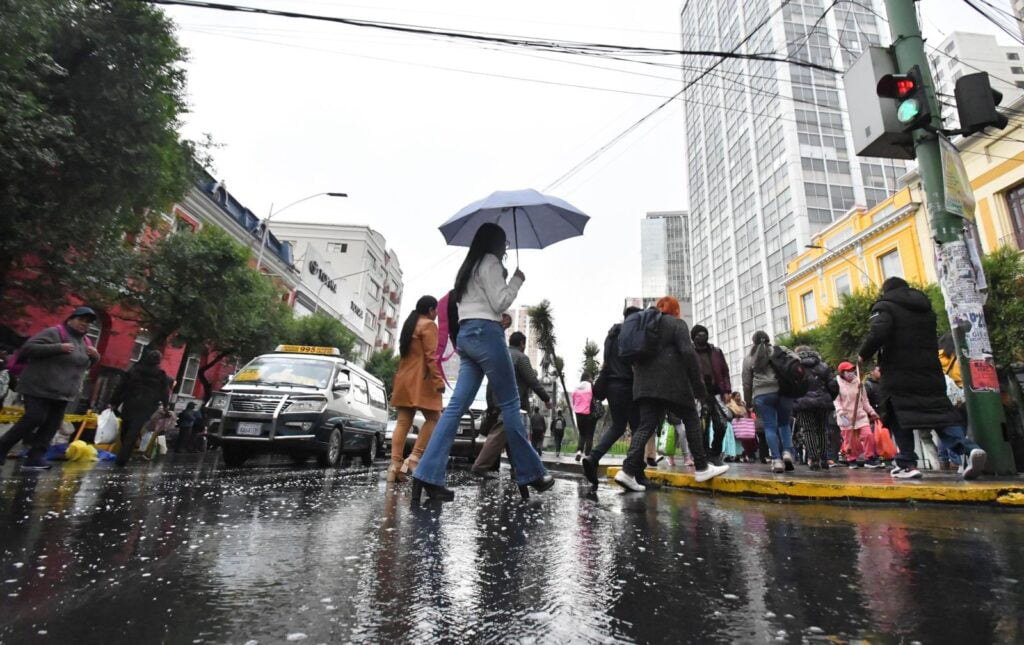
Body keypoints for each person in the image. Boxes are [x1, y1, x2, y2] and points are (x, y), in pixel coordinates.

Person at [411, 223, 553, 502]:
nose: (506, 249)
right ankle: (531, 472)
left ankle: (425, 474)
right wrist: (517, 279)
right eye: (505, 244)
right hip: (487, 335)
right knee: (511, 404)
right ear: (495, 243)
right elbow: (500, 302)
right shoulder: (489, 262)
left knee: (454, 409)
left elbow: (476, 306)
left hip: (467, 335)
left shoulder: (467, 268)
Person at [859, 277, 987, 480]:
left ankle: (907, 463)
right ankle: (969, 448)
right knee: (939, 414)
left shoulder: (885, 306)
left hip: (898, 371)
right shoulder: (925, 308)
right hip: (929, 371)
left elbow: (878, 332)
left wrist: (863, 354)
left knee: (896, 412)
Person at [614, 297, 728, 491]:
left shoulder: (645, 325)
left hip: (644, 384)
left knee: (645, 426)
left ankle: (627, 471)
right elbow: (688, 352)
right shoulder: (677, 324)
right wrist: (699, 388)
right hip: (672, 383)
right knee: (691, 417)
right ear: (675, 310)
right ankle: (701, 467)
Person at [0, 307, 101, 470]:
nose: (85, 324)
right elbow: (28, 348)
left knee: (51, 425)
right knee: (35, 418)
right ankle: (2, 447)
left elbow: (82, 364)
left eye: (88, 322)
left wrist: (95, 357)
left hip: (63, 392)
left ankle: (35, 457)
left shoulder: (86, 342)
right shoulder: (54, 333)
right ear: (70, 319)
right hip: (38, 386)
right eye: (81, 320)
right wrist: (57, 347)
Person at [470, 330, 551, 476]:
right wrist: (546, 398)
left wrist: (491, 404)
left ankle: (519, 469)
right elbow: (532, 380)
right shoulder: (521, 358)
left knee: (513, 437)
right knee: (500, 435)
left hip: (497, 403)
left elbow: (490, 382)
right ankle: (480, 466)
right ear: (522, 344)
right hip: (513, 405)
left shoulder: (499, 357)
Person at [581, 307, 642, 487]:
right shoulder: (630, 333)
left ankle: (593, 457)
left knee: (618, 426)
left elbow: (607, 361)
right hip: (628, 386)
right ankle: (634, 472)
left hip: (612, 387)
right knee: (639, 430)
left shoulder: (612, 335)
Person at [387, 295, 445, 483]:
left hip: (404, 379)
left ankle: (396, 466)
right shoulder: (428, 325)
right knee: (434, 419)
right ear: (430, 310)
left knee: (403, 423)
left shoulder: (410, 324)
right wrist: (438, 381)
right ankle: (414, 458)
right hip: (422, 381)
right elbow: (431, 357)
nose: (436, 314)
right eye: (435, 310)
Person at [742, 331, 794, 474]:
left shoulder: (749, 358)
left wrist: (748, 402)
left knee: (770, 427)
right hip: (783, 391)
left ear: (754, 342)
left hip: (762, 395)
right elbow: (796, 360)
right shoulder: (781, 350)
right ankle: (787, 452)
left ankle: (776, 460)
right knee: (784, 424)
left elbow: (747, 383)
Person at [111, 349, 172, 467]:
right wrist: (165, 406)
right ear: (158, 361)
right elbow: (164, 392)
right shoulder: (161, 375)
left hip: (130, 402)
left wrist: (114, 401)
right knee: (134, 431)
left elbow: (122, 386)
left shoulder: (135, 370)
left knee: (126, 427)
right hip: (146, 405)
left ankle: (124, 453)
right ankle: (124, 456)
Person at [690, 324, 732, 466]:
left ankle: (715, 452)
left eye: (704, 333)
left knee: (721, 424)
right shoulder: (688, 353)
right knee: (703, 427)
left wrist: (726, 391)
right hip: (699, 395)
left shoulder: (716, 351)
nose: (702, 336)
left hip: (716, 394)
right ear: (693, 337)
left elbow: (725, 372)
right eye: (699, 334)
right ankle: (705, 455)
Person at [791, 346, 837, 471]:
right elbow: (833, 385)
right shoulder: (823, 366)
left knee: (808, 430)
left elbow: (791, 387)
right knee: (822, 430)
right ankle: (824, 459)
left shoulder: (795, 367)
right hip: (822, 403)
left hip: (803, 403)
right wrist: (828, 398)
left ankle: (814, 460)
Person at [834, 361, 881, 469]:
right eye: (848, 371)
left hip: (860, 415)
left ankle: (870, 458)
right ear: (842, 372)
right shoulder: (836, 383)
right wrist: (840, 411)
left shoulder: (859, 383)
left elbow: (865, 400)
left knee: (868, 435)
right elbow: (836, 400)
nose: (851, 372)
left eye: (852, 370)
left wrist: (872, 412)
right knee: (850, 440)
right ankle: (852, 459)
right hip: (845, 417)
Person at [571, 375, 596, 462]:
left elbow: (573, 402)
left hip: (578, 414)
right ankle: (587, 455)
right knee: (589, 435)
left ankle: (579, 451)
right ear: (588, 378)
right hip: (589, 413)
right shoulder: (591, 386)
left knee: (582, 434)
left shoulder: (576, 388)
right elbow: (596, 398)